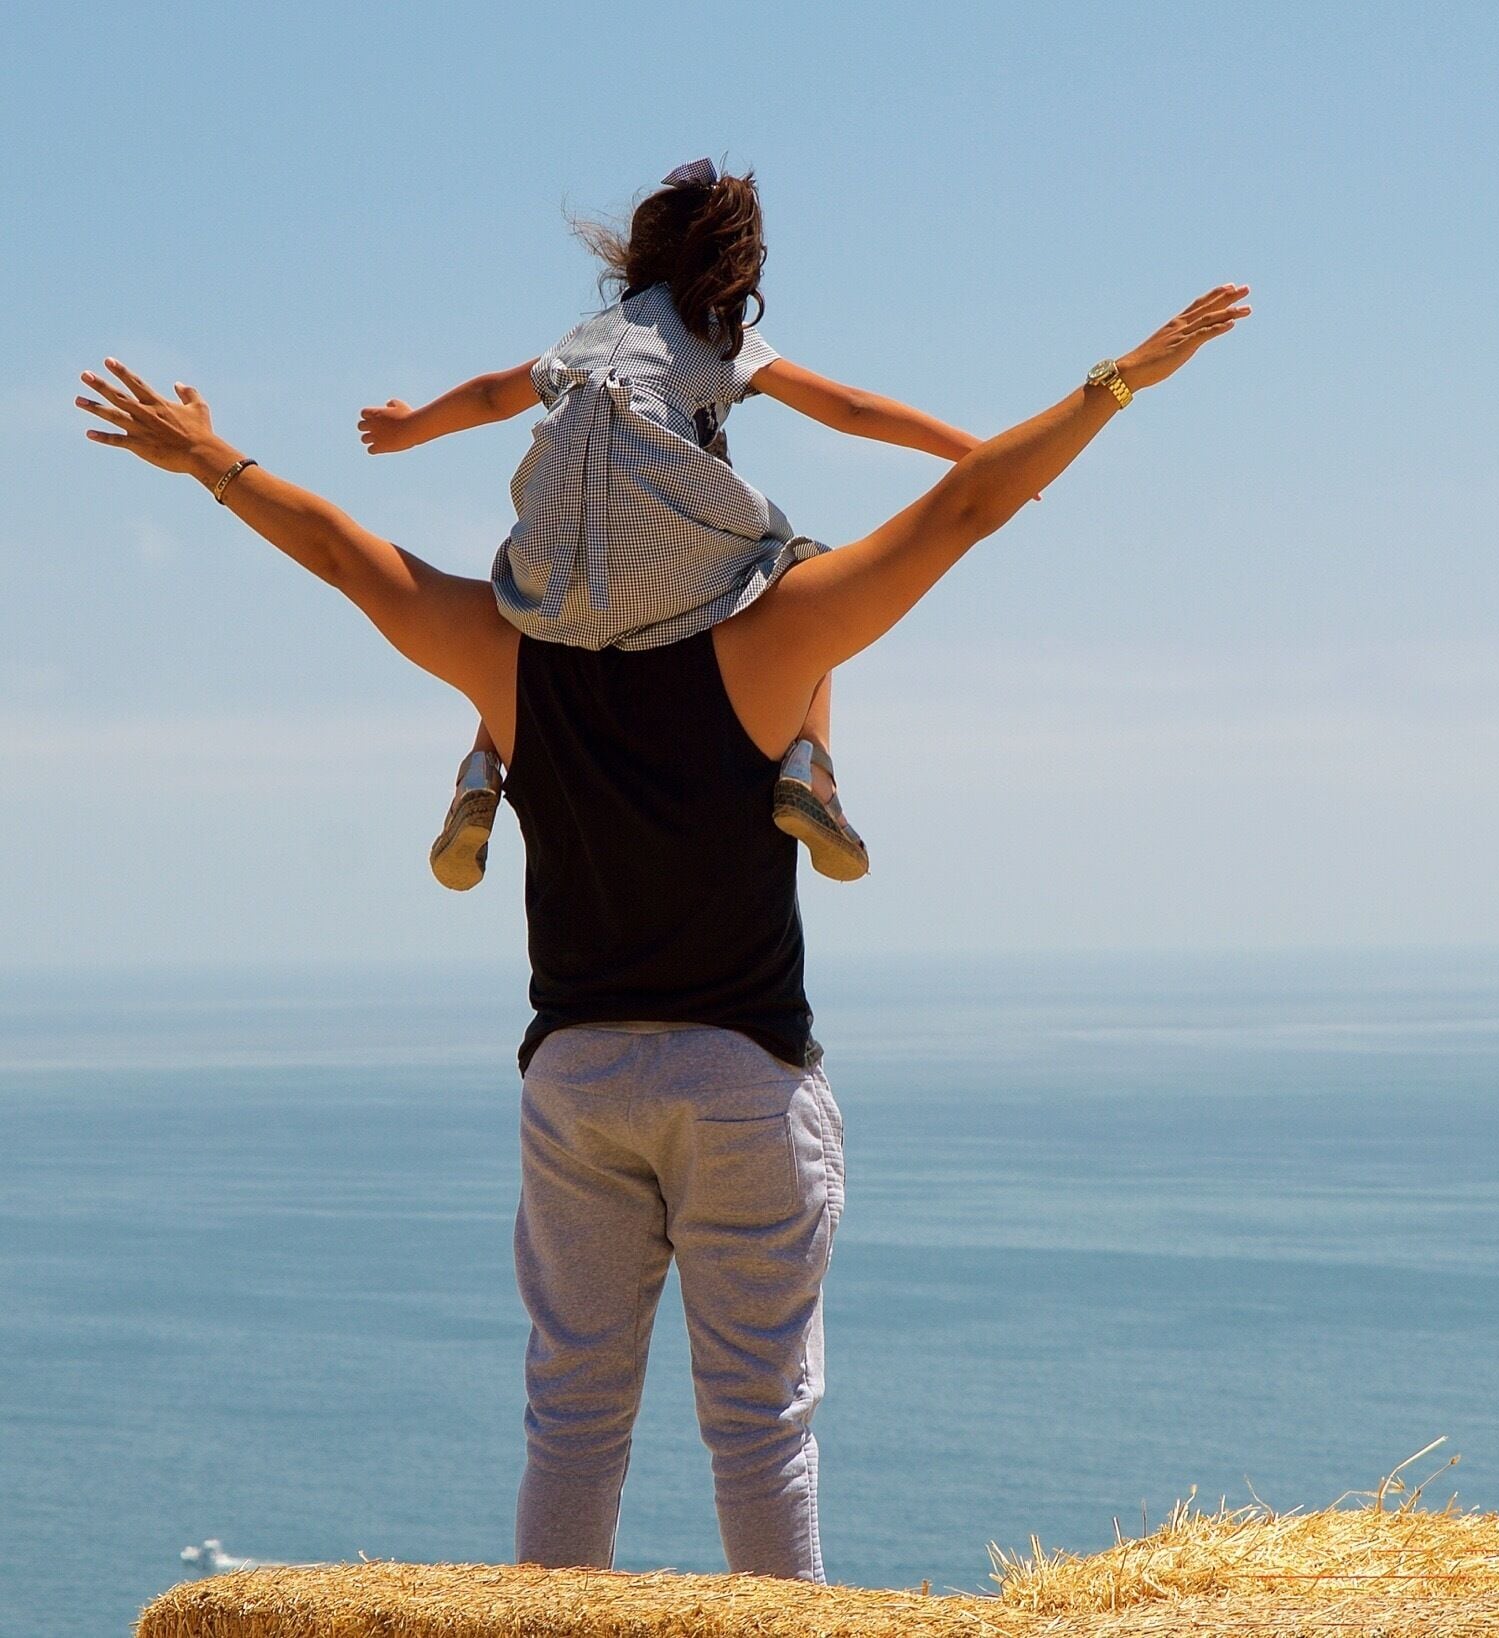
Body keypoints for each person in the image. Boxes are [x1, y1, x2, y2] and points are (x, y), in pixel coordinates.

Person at [74, 279, 1249, 1582]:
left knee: (572, 1426)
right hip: (739, 1075)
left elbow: (351, 554)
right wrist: (1118, 381)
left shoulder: (501, 657)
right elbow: (964, 507)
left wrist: (207, 459)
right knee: (759, 1432)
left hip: (576, 1078)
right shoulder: (775, 639)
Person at [359, 158, 984, 889]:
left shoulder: (584, 336)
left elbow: (493, 396)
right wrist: (970, 450)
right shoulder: (718, 336)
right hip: (660, 571)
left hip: (550, 576)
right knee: (806, 572)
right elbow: (848, 408)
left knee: (518, 624)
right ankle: (811, 770)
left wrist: (411, 428)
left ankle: (477, 775)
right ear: (733, 265)